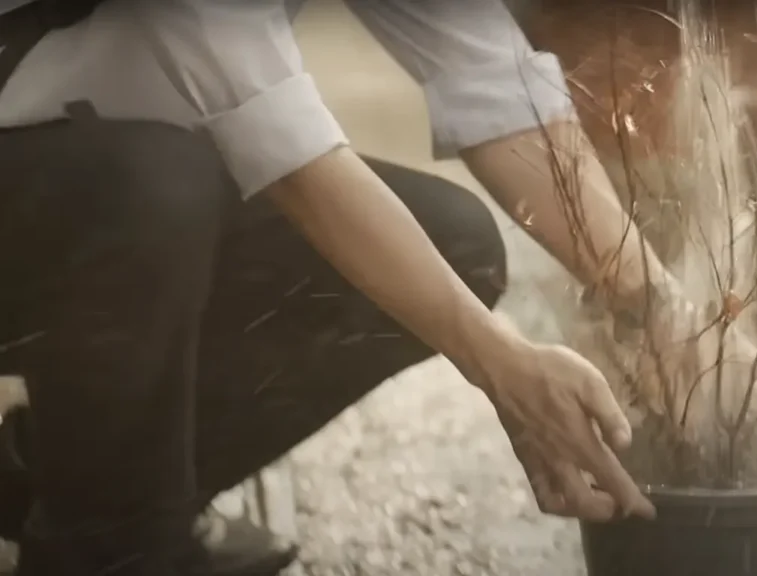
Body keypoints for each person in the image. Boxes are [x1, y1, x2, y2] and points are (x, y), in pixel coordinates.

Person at [0, 1, 696, 574]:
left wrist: (658, 306)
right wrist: (501, 363)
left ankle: (63, 481)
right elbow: (292, 158)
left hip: (123, 193)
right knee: (152, 185)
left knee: (457, 246)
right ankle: (113, 550)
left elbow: (496, 85)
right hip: (58, 201)